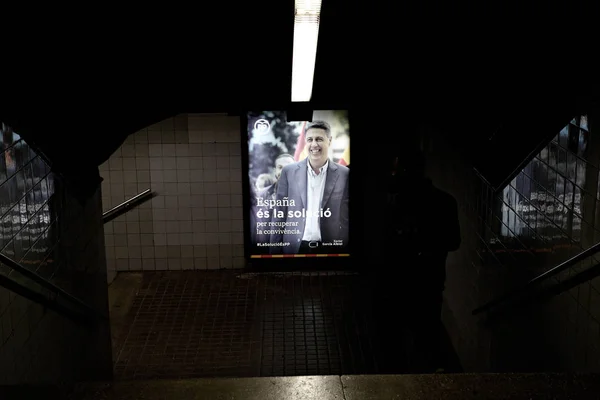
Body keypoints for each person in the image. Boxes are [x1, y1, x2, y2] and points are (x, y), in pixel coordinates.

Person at [374, 146, 461, 373]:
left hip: (401, 282)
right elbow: (454, 242)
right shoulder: (445, 202)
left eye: (397, 170)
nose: (394, 175)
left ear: (405, 170)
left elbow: (385, 243)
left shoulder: (395, 204)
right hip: (429, 281)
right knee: (425, 336)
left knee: (397, 342)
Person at [269, 121, 349, 254]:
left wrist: (344, 246)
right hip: (294, 248)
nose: (314, 144)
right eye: (310, 139)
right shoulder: (288, 172)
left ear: (329, 141)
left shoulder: (344, 174)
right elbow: (279, 214)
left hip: (330, 249)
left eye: (319, 139)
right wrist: (274, 252)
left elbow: (346, 218)